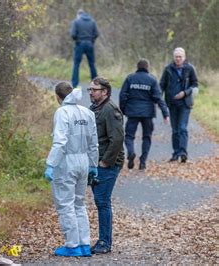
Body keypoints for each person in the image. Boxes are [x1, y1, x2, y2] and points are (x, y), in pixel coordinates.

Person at [45, 82, 99, 257]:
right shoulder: (87, 112)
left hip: (66, 161)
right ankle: (84, 243)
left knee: (65, 204)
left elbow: (60, 142)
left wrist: (51, 164)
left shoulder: (62, 113)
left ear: (58, 97)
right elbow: (94, 142)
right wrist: (93, 165)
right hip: (83, 160)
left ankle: (72, 245)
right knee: (79, 203)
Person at [88, 77, 124, 254]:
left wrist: (104, 162)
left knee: (102, 202)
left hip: (108, 163)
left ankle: (104, 242)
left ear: (105, 92)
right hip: (96, 162)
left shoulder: (110, 109)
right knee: (99, 201)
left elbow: (117, 139)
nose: (91, 92)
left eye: (95, 89)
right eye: (90, 89)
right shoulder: (95, 108)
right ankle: (102, 240)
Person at [119, 59, 169, 170]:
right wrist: (165, 113)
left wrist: (122, 110)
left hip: (132, 112)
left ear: (137, 67)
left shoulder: (130, 78)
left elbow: (123, 95)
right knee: (147, 137)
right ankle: (143, 161)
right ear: (148, 67)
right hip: (147, 113)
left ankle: (131, 152)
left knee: (129, 136)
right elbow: (158, 97)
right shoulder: (152, 80)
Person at [160, 47, 198, 163]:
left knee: (182, 128)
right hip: (172, 103)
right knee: (175, 130)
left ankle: (183, 153)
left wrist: (185, 93)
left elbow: (195, 84)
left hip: (185, 103)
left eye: (180, 56)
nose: (178, 59)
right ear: (174, 57)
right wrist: (157, 99)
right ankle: (175, 153)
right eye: (176, 56)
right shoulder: (168, 69)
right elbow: (162, 84)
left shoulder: (190, 69)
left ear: (184, 57)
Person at [70, 9, 99, 88]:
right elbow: (96, 33)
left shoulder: (76, 22)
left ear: (78, 14)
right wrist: (91, 40)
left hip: (80, 44)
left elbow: (73, 34)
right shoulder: (92, 21)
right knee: (92, 64)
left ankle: (75, 84)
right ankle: (96, 83)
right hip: (89, 44)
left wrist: (77, 40)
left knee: (76, 64)